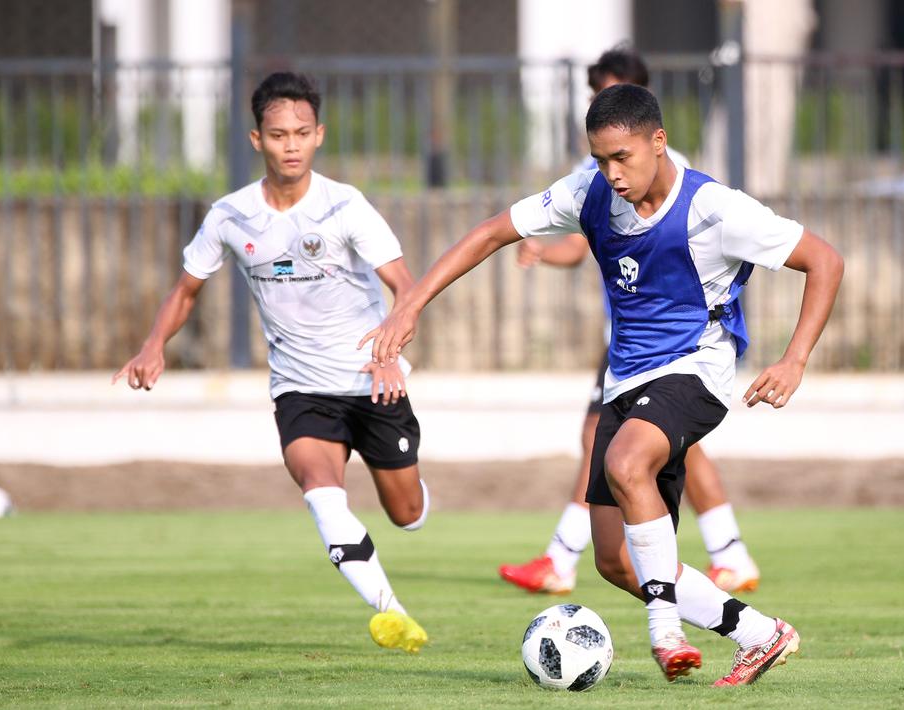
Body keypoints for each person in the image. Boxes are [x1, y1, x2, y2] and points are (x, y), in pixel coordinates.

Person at [361, 84, 843, 685]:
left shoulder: (715, 209)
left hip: (699, 367)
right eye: (600, 159)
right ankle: (761, 635)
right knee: (616, 560)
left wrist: (794, 360)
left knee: (625, 459)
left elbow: (825, 260)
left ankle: (665, 634)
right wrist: (410, 306)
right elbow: (490, 233)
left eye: (624, 158)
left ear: (658, 142)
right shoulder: (588, 192)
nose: (612, 173)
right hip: (627, 377)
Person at [114, 72, 429, 653]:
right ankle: (391, 612)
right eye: (278, 134)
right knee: (320, 489)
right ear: (257, 139)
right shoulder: (230, 217)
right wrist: (153, 343)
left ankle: (408, 498)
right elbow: (185, 291)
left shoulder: (346, 206)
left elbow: (406, 287)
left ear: (319, 136)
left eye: (302, 133)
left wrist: (389, 351)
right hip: (300, 389)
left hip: (370, 379)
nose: (291, 145)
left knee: (407, 513)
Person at [501, 48, 759, 597]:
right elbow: (581, 242)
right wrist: (545, 252)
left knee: (610, 442)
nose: (595, 106)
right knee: (646, 449)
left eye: (606, 92)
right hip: (629, 347)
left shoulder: (675, 180)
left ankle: (565, 559)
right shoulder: (602, 175)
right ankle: (728, 552)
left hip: (675, 347)